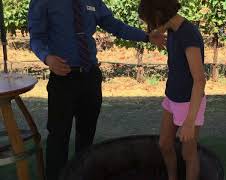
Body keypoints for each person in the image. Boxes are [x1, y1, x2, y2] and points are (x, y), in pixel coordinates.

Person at [28, 0, 165, 179]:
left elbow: (114, 25)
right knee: (58, 137)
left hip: (90, 77)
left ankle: (82, 175)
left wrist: (146, 37)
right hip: (62, 80)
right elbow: (36, 37)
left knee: (87, 135)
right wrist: (47, 58)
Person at [138, 0, 206, 180]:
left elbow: (199, 80)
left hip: (189, 102)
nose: (149, 26)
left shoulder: (188, 34)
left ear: (159, 15)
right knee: (165, 144)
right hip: (172, 97)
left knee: (188, 154)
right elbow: (155, 32)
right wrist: (155, 33)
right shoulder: (172, 29)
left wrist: (190, 122)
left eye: (149, 21)